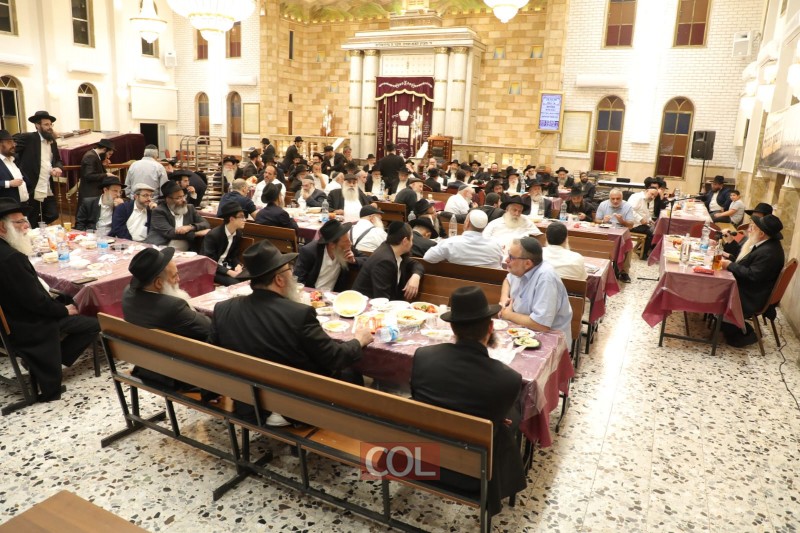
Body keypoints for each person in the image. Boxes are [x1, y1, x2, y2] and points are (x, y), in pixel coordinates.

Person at [211, 240, 372, 422]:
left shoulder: (223, 309)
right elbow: (334, 357)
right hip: (295, 409)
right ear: (279, 280)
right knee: (351, 371)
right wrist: (359, 340)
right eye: (290, 270)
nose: (293, 275)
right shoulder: (299, 314)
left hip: (248, 403)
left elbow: (214, 356)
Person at [410, 286, 526, 517]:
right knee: (511, 417)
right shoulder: (508, 379)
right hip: (473, 475)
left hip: (419, 460)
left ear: (452, 328)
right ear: (490, 328)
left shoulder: (423, 357)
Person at [0, 198, 99, 401]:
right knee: (94, 324)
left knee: (63, 298)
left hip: (8, 322)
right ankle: (45, 364)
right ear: (2, 227)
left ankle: (44, 362)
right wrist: (63, 310)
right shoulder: (11, 258)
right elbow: (35, 303)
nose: (26, 226)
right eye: (19, 222)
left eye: (25, 221)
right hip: (26, 325)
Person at [122, 246, 212, 388]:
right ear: (158, 283)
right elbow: (208, 327)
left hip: (145, 363)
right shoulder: (172, 306)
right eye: (174, 276)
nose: (179, 279)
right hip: (175, 373)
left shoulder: (128, 293)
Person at [719, 214, 785, 346]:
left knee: (717, 287)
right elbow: (746, 264)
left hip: (752, 296)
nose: (749, 230)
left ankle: (735, 328)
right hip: (752, 289)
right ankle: (719, 321)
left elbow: (752, 275)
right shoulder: (767, 244)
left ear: (761, 233)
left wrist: (730, 265)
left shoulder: (768, 252)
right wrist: (729, 259)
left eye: (753, 228)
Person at [498, 237, 573, 347]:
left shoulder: (546, 279)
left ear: (528, 263)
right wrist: (504, 298)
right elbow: (508, 280)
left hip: (549, 340)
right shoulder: (521, 268)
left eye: (511, 257)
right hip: (521, 329)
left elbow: (541, 324)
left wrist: (508, 315)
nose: (506, 260)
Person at [12, 110, 64, 224]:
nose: (49, 127)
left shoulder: (52, 142)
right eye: (46, 125)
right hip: (32, 185)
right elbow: (11, 148)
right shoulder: (28, 138)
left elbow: (58, 160)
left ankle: (39, 228)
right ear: (37, 125)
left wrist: (58, 167)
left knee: (53, 214)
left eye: (50, 124)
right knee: (32, 217)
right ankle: (35, 231)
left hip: (47, 185)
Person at [353, 222, 423, 300]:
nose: (412, 244)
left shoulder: (393, 250)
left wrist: (416, 276)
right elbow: (382, 299)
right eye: (412, 240)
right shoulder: (384, 261)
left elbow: (416, 264)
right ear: (405, 241)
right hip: (364, 304)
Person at [294, 219, 365, 292]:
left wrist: (354, 261)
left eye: (349, 240)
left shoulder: (346, 249)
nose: (350, 243)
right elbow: (298, 281)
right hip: (311, 294)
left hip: (334, 295)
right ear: (332, 245)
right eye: (346, 241)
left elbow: (366, 260)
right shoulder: (310, 252)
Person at [423, 210, 503, 268]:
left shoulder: (450, 243)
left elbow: (428, 257)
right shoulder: (496, 246)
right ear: (484, 227)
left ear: (467, 223)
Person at [145, 180, 210, 250]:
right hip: (161, 248)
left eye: (183, 196)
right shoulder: (159, 211)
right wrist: (196, 234)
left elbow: (205, 223)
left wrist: (191, 227)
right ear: (167, 199)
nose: (183, 200)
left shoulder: (190, 208)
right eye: (178, 198)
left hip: (186, 252)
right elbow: (170, 233)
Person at [201, 202, 247, 286]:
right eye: (241, 217)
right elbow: (209, 262)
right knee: (236, 283)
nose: (245, 220)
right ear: (232, 219)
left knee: (249, 278)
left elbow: (233, 256)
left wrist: (238, 265)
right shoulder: (213, 235)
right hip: (213, 270)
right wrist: (229, 272)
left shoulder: (238, 234)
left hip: (226, 266)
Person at [595, 188, 635, 282]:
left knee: (628, 246)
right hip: (605, 231)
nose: (615, 201)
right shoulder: (603, 204)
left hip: (622, 232)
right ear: (609, 198)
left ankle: (624, 272)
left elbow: (631, 225)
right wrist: (603, 221)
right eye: (613, 199)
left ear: (622, 198)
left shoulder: (627, 206)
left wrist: (622, 221)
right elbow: (596, 220)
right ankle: (599, 266)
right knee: (595, 240)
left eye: (618, 198)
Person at [77, 138, 116, 203]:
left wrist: (102, 163)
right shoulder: (90, 157)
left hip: (92, 195)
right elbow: (89, 176)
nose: (108, 157)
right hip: (90, 195)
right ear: (104, 150)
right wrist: (106, 175)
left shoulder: (95, 156)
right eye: (109, 154)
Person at [627, 187, 659, 259]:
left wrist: (650, 220)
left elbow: (645, 213)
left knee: (656, 230)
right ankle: (643, 254)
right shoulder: (637, 197)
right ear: (646, 191)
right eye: (652, 194)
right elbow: (630, 210)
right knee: (651, 233)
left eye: (654, 196)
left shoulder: (646, 199)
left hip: (640, 224)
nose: (653, 197)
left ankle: (643, 250)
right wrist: (641, 219)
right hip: (633, 224)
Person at [0, 129, 29, 203]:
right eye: (9, 142)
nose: (13, 145)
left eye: (13, 142)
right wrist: (9, 183)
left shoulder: (14, 159)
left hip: (24, 204)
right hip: (7, 207)